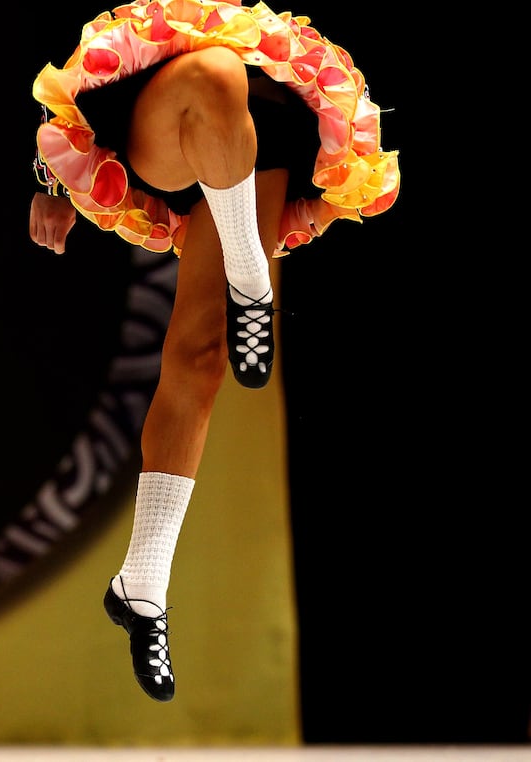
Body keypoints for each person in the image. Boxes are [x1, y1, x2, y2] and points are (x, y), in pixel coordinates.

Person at [28, 0, 399, 702]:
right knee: (218, 74)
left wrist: (340, 180)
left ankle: (141, 583)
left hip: (273, 128)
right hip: (167, 103)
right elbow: (59, 48)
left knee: (201, 356)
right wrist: (48, 177)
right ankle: (251, 280)